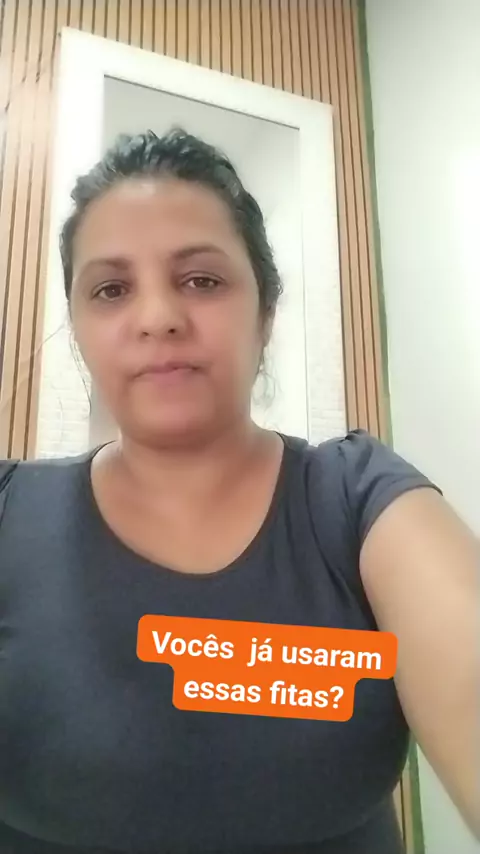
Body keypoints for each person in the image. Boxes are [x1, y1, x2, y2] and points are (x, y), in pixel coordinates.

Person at [0, 129, 477, 854]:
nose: (157, 316)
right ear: (80, 330)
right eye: (111, 289)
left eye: (202, 280)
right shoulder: (8, 513)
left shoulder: (361, 507)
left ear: (266, 314)